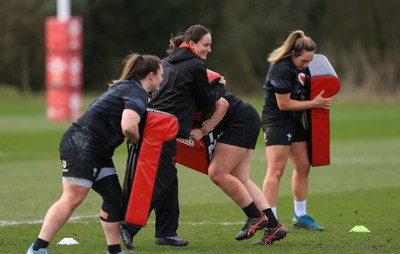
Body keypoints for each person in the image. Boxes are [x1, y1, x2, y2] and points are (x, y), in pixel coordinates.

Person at [26, 53, 164, 254]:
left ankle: (114, 250)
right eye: (161, 75)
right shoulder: (137, 92)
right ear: (151, 75)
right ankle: (37, 249)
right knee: (72, 198)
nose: (162, 79)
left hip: (96, 150)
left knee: (113, 196)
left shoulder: (129, 87)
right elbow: (128, 125)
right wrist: (134, 136)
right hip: (81, 146)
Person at [120, 24, 226, 250]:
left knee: (169, 179)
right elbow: (206, 99)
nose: (209, 49)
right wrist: (221, 88)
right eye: (206, 45)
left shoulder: (166, 61)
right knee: (161, 180)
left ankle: (166, 232)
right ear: (193, 44)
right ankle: (128, 226)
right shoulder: (196, 65)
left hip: (152, 123)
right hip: (164, 130)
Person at [189, 69, 287, 246]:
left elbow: (223, 105)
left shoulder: (182, 78)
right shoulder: (177, 77)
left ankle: (255, 217)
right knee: (240, 178)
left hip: (241, 120)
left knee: (217, 173)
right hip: (244, 118)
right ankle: (274, 226)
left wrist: (203, 131)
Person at [260, 30, 331, 231]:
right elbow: (284, 104)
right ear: (293, 54)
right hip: (277, 121)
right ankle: (271, 221)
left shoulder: (301, 65)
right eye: (303, 61)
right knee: (276, 171)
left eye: (309, 61)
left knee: (303, 165)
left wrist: (320, 97)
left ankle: (300, 215)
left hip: (294, 120)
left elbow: (303, 92)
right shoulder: (281, 68)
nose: (306, 65)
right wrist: (314, 104)